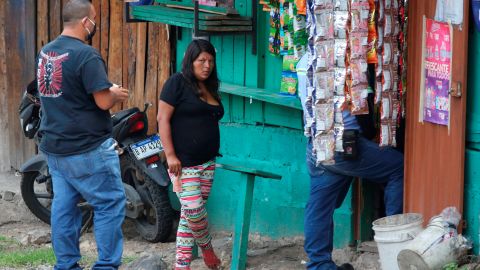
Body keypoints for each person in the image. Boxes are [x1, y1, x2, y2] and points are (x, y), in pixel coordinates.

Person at [36, 0, 130, 269]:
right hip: (87, 148)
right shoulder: (86, 55)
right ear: (85, 22)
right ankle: (106, 265)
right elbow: (102, 102)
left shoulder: (45, 53)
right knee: (109, 204)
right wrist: (114, 93)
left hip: (55, 148)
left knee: (64, 208)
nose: (95, 24)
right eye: (94, 18)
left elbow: (66, 92)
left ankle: (66, 265)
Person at [297, 55, 404, 270]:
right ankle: (394, 244)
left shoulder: (303, 61)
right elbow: (361, 113)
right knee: (398, 167)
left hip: (317, 142)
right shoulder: (347, 60)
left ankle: (319, 264)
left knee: (319, 206)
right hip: (345, 146)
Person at [157, 39, 224, 270]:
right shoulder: (177, 82)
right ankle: (207, 249)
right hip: (183, 165)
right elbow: (162, 119)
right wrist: (171, 155)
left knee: (188, 217)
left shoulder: (211, 86)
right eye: (201, 60)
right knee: (195, 211)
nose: (207, 65)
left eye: (211, 61)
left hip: (207, 164)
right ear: (191, 61)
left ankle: (181, 265)